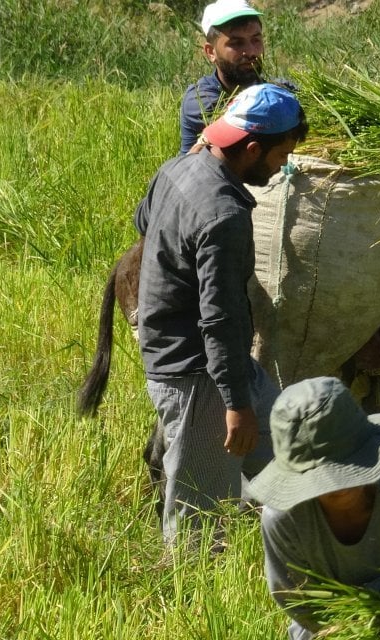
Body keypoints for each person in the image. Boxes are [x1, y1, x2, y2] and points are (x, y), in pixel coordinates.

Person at [136, 82, 309, 550]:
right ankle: (190, 603)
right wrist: (234, 405)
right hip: (198, 376)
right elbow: (220, 318)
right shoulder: (225, 214)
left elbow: (142, 222)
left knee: (293, 460)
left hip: (207, 360)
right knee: (199, 522)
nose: (282, 168)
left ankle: (309, 554)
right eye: (280, 156)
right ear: (252, 148)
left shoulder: (178, 167)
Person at [247, 377, 380, 640]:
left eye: (345, 468)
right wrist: (351, 631)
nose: (337, 487)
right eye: (322, 477)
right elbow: (297, 602)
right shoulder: (284, 521)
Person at [179, 0, 266, 154]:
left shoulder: (277, 88)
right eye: (236, 43)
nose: (251, 51)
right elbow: (248, 127)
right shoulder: (201, 99)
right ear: (211, 52)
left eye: (256, 40)